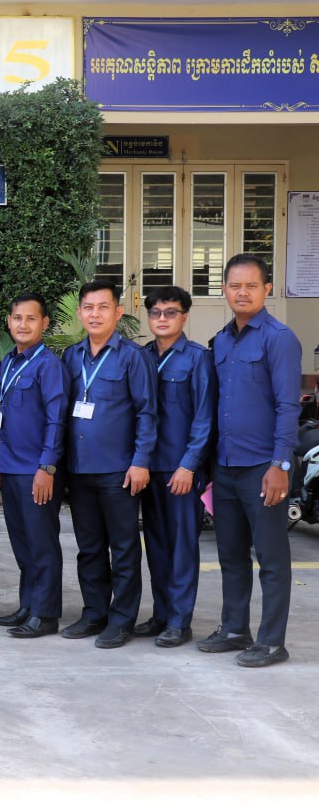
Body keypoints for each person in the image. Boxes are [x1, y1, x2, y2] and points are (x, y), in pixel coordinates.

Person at [199, 254, 302, 668]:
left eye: (251, 286)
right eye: (235, 285)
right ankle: (234, 629)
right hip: (225, 466)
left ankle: (272, 642)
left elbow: (288, 406)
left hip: (263, 467)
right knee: (231, 554)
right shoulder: (221, 340)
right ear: (224, 289)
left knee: (271, 559)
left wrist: (281, 465)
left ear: (267, 289)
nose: (242, 293)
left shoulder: (279, 338)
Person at [61, 281, 157, 649]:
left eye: (103, 307)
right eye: (88, 307)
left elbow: (147, 412)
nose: (95, 314)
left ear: (117, 312)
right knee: (89, 547)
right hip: (79, 469)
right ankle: (94, 612)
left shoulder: (133, 356)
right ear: (80, 313)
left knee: (124, 548)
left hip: (119, 470)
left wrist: (141, 461)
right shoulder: (71, 357)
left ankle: (122, 619)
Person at [137, 286, 214, 649]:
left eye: (171, 312)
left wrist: (189, 466)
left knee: (182, 546)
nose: (162, 319)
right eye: (156, 312)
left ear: (185, 316)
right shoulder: (141, 357)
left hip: (180, 470)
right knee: (156, 544)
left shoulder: (197, 359)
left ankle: (180, 622)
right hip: (146, 468)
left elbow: (204, 418)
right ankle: (161, 614)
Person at [0, 294, 69, 639]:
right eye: (17, 318)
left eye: (31, 318)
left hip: (36, 471)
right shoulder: (9, 362)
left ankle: (45, 613)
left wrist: (47, 468)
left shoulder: (48, 365)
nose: (22, 324)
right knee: (22, 543)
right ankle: (28, 604)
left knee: (42, 544)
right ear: (8, 322)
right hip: (10, 467)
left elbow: (56, 420)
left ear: (44, 323)